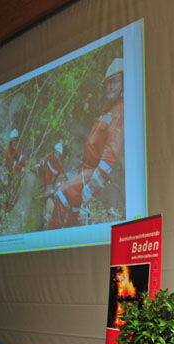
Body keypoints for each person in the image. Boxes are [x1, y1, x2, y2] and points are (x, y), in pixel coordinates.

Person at [48, 58, 125, 229]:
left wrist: (93, 185)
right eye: (108, 83)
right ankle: (68, 235)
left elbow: (111, 151)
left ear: (124, 83)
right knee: (73, 205)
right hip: (87, 168)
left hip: (95, 172)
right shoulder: (109, 110)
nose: (110, 86)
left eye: (115, 81)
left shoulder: (120, 110)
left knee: (62, 193)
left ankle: (52, 233)